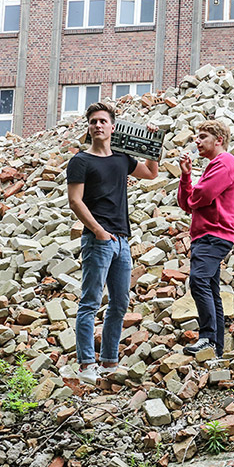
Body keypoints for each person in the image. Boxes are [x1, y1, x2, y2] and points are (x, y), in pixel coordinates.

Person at [66, 102, 158, 383]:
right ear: (89, 127)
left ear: (112, 127)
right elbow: (74, 201)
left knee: (119, 302)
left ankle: (108, 361)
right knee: (90, 302)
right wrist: (98, 231)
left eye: (102, 121)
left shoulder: (121, 158)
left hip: (122, 240)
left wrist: (154, 143)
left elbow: (151, 173)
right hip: (98, 240)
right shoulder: (81, 161)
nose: (97, 125)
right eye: (93, 121)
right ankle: (85, 365)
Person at [177, 120, 234, 359]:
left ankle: (207, 338)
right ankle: (215, 347)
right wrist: (186, 177)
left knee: (199, 281)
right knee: (211, 288)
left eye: (203, 137)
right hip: (207, 235)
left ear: (219, 140)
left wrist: (194, 194)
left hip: (214, 234)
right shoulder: (212, 167)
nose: (197, 141)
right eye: (197, 136)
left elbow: (201, 196)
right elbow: (187, 203)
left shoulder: (225, 162)